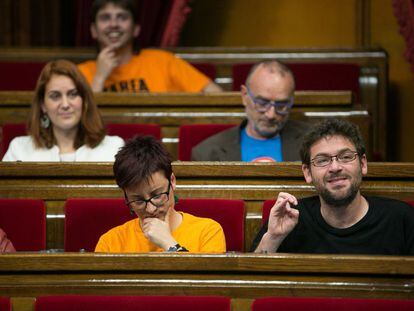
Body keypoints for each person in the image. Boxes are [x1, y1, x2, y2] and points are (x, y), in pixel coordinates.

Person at [251, 118, 414, 255]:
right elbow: (252, 283)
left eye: (345, 157)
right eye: (322, 160)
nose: (335, 167)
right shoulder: (289, 217)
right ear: (307, 172)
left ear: (363, 164)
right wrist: (273, 237)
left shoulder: (402, 218)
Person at [95, 135, 226, 253]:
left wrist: (169, 243)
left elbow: (203, 280)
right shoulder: (110, 242)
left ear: (172, 181)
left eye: (157, 196)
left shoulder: (208, 232)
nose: (150, 209)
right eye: (138, 201)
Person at [78, 0, 222, 93]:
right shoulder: (80, 73)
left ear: (136, 29)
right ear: (94, 30)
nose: (114, 24)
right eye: (105, 18)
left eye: (122, 17)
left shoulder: (163, 61)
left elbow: (216, 96)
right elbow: (80, 125)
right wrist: (99, 78)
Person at [2, 60, 124, 162]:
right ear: (43, 105)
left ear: (84, 100)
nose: (65, 104)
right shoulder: (19, 149)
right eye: (55, 96)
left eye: (73, 94)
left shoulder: (113, 148)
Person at [192, 60, 309, 162]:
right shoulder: (207, 152)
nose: (271, 115)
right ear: (245, 95)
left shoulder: (313, 143)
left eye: (282, 105)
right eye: (262, 103)